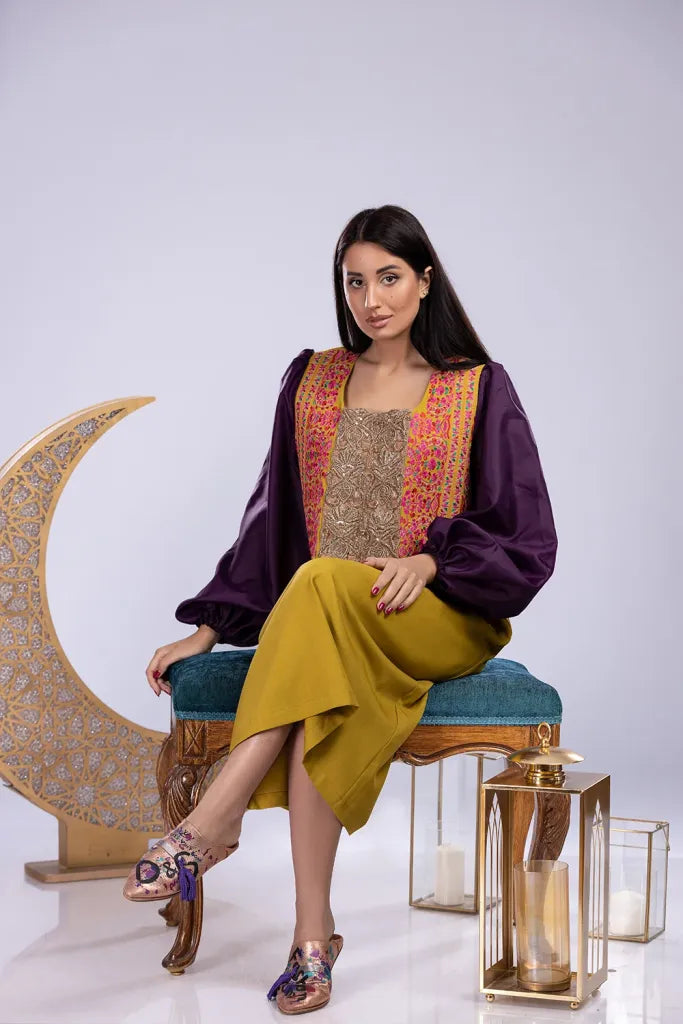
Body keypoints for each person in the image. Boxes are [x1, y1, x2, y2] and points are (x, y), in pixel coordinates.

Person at [122, 204, 558, 1015]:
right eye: (354, 282)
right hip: (327, 621)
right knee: (321, 623)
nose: (371, 299)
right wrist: (208, 631)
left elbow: (524, 532)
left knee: (321, 580)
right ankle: (311, 941)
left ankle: (211, 823)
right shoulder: (313, 380)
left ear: (424, 281)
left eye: (388, 278)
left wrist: (430, 561)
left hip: (439, 618)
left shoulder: (476, 386)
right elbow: (270, 522)